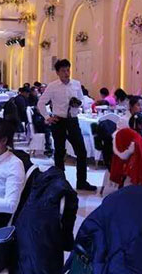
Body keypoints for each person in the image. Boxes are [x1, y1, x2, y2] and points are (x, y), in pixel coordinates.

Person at [37, 59, 96, 191]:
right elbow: (41, 103)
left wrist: (78, 103)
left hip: (73, 121)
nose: (66, 73)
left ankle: (82, 182)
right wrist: (47, 117)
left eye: (68, 70)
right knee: (59, 152)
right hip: (58, 121)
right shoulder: (52, 86)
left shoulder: (76, 84)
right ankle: (60, 182)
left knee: (81, 151)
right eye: (63, 71)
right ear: (57, 72)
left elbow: (82, 100)